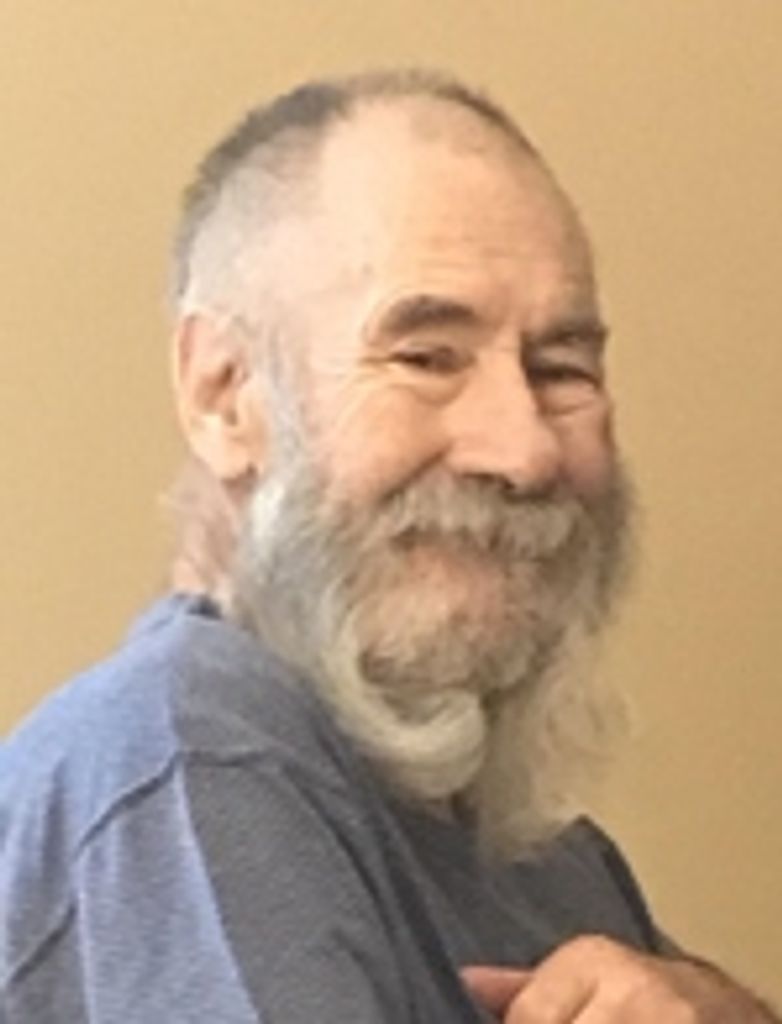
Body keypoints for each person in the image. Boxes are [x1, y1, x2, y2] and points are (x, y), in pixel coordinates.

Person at [0, 69, 776, 1023]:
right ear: (224, 395)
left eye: (561, 369)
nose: (525, 450)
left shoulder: (555, 867)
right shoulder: (196, 751)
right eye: (427, 358)